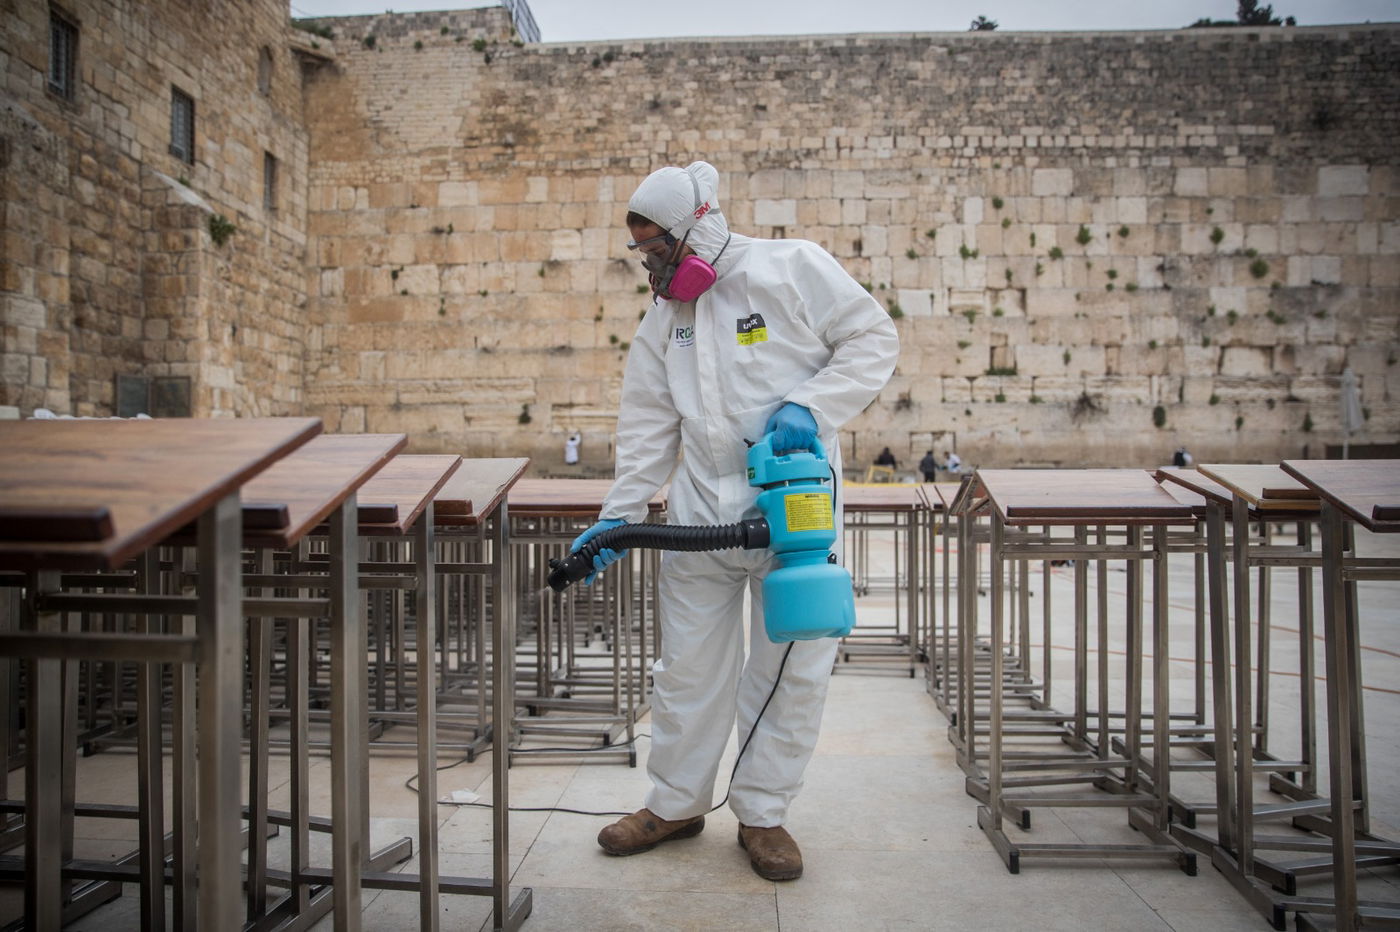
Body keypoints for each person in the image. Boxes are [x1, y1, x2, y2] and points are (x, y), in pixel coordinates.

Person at [571, 161, 899, 881]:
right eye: (644, 254)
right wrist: (616, 521)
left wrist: (810, 406)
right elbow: (648, 425)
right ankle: (676, 804)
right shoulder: (665, 317)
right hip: (699, 510)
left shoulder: (791, 267)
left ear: (697, 227)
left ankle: (763, 814)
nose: (653, 265)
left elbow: (873, 338)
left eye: (660, 248)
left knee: (790, 669)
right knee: (685, 669)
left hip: (795, 504)